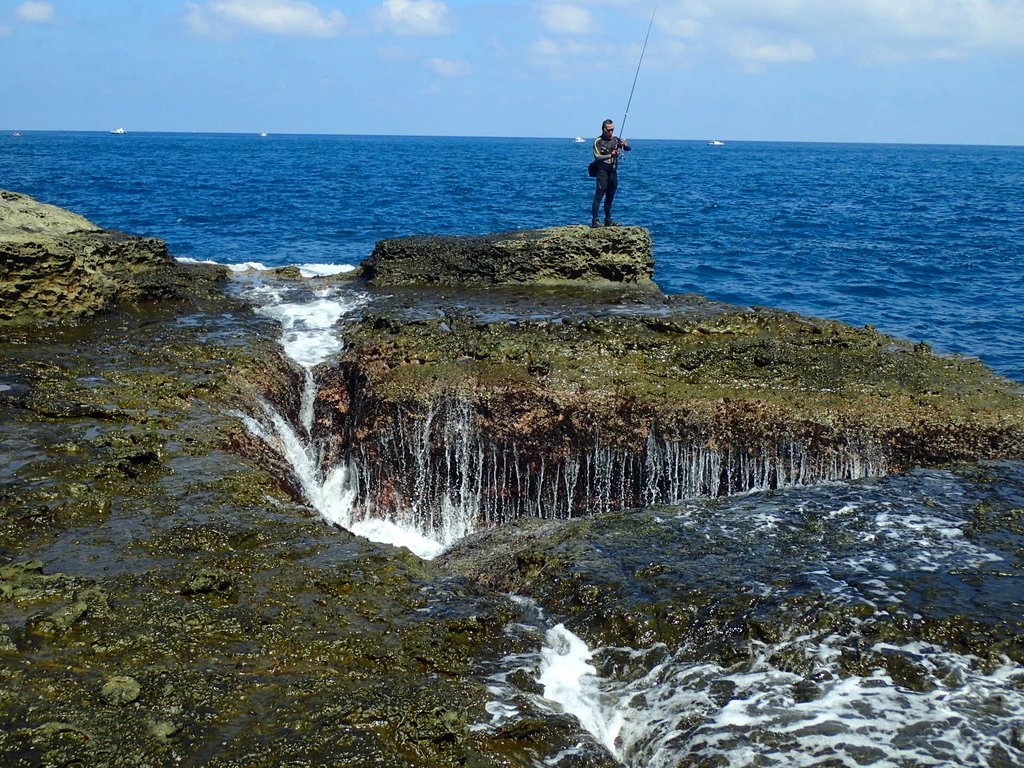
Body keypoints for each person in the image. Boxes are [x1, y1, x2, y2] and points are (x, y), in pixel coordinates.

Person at [591, 119, 631, 227]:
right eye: (609, 130)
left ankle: (608, 220)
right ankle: (595, 221)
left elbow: (628, 149)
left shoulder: (615, 140)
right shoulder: (598, 141)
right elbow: (597, 157)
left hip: (613, 171)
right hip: (602, 171)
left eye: (612, 130)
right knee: (599, 195)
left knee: (610, 196)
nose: (611, 132)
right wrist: (610, 155)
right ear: (604, 129)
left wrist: (624, 144)